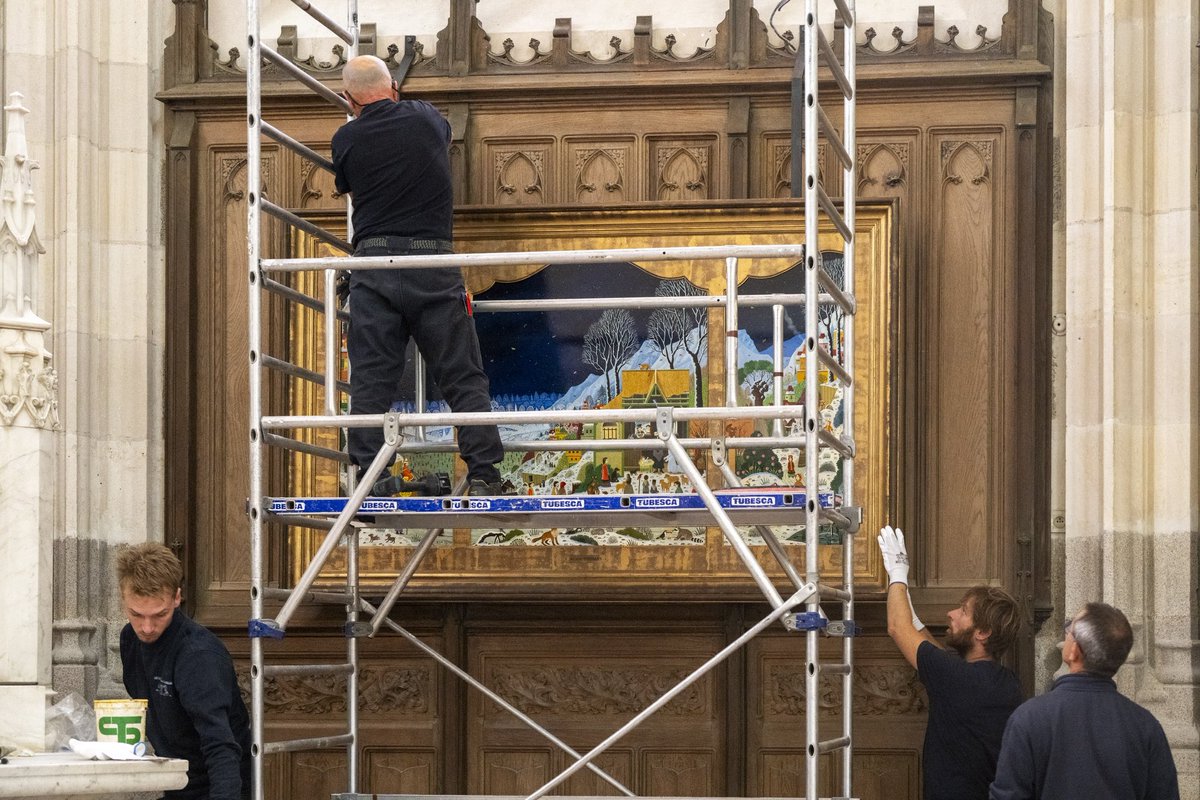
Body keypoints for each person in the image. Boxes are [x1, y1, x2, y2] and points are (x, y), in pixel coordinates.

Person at [331, 54, 505, 496]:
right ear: (393, 87)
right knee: (462, 376)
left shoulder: (346, 138)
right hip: (432, 265)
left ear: (349, 100)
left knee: (371, 382)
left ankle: (369, 478)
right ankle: (484, 474)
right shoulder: (426, 119)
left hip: (373, 268)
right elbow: (435, 136)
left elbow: (351, 186)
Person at [877, 525, 1024, 800]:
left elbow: (898, 628)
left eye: (964, 612)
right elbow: (932, 653)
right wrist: (907, 604)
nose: (951, 614)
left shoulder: (955, 677)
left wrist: (898, 574)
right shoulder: (1005, 682)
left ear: (983, 633)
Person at [989, 602, 1180, 800]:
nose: (1066, 633)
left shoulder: (1029, 717)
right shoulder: (1146, 726)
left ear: (1074, 651)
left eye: (1069, 629)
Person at [117, 543, 251, 800]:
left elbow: (221, 746)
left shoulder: (197, 656)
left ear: (177, 598)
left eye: (159, 614)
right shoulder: (129, 640)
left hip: (217, 787)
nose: (146, 627)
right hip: (177, 784)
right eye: (136, 614)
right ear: (123, 598)